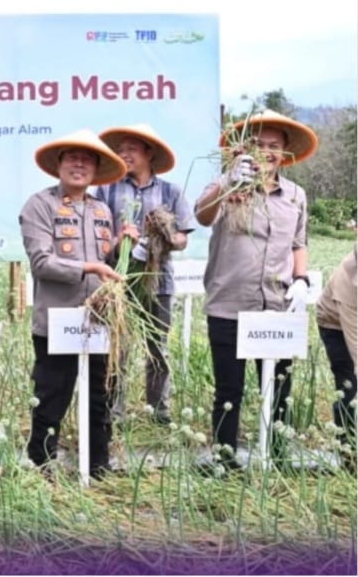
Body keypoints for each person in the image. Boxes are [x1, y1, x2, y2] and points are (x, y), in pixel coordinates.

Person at [194, 109, 318, 471]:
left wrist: (300, 279)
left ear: (285, 154)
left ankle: (277, 455)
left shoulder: (295, 196)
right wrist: (228, 182)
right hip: (228, 305)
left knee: (280, 389)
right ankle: (224, 459)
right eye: (258, 145)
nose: (266, 152)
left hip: (276, 306)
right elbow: (203, 215)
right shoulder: (224, 185)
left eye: (274, 146)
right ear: (242, 149)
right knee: (230, 390)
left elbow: (299, 242)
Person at [19, 129, 127, 479]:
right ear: (59, 165)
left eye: (87, 159)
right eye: (72, 158)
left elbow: (105, 261)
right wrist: (88, 268)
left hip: (98, 320)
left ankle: (98, 466)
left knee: (100, 395)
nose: (79, 164)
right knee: (52, 395)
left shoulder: (101, 209)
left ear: (96, 169)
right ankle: (42, 465)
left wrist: (119, 247)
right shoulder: (40, 205)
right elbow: (41, 263)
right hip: (56, 321)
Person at [95, 124, 195, 425]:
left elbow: (182, 238)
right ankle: (113, 411)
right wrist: (120, 240)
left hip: (158, 281)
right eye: (120, 150)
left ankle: (159, 411)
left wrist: (160, 239)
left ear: (149, 154)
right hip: (119, 280)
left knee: (157, 347)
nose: (124, 155)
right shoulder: (106, 189)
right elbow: (99, 234)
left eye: (131, 150)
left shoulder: (170, 191)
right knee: (118, 347)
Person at [316, 244, 357, 469]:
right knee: (349, 383)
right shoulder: (348, 283)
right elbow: (355, 341)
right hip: (335, 325)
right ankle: (348, 451)